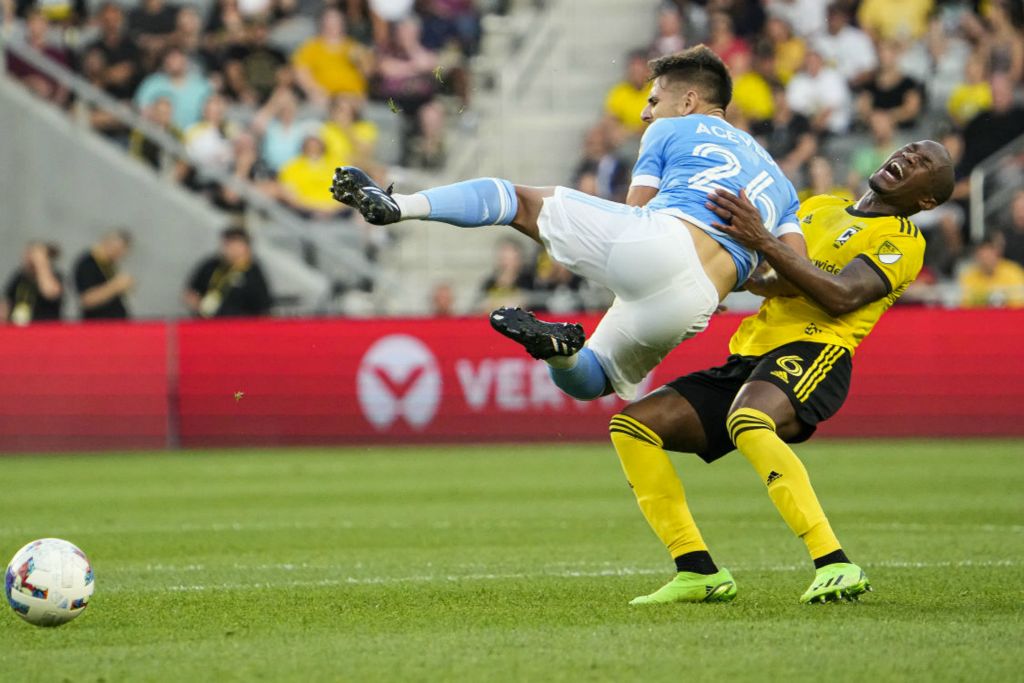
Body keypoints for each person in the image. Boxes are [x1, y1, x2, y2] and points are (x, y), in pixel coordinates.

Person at [332, 46, 804, 403]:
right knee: (592, 378)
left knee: (519, 202)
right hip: (699, 300)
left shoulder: (672, 128)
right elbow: (795, 276)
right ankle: (558, 350)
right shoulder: (783, 187)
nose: (645, 112)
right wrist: (736, 276)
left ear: (688, 102)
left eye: (654, 100)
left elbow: (638, 207)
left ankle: (399, 206)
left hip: (658, 243)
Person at [608, 140, 954, 605]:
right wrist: (732, 279)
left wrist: (764, 239)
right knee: (632, 426)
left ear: (926, 200)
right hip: (752, 354)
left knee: (749, 420)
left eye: (923, 164)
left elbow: (843, 296)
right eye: (909, 150)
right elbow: (785, 278)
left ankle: (834, 563)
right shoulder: (819, 206)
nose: (908, 158)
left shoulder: (902, 240)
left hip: (817, 351)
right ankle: (696, 570)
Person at [184, 228, 272, 318]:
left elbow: (263, 307)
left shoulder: (253, 272)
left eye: (235, 244)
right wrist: (199, 304)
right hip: (207, 322)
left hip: (239, 325)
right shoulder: (211, 266)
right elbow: (191, 292)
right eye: (227, 244)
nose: (230, 249)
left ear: (246, 247)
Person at [74, 230, 134, 320]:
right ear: (107, 243)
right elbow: (87, 299)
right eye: (118, 249)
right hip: (98, 327)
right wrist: (116, 285)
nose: (120, 255)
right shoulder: (88, 263)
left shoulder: (107, 265)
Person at [1, 242, 64, 325]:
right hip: (18, 327)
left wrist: (41, 263)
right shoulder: (18, 278)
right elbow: (6, 303)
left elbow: (50, 292)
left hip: (44, 327)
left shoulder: (55, 276)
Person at [958, 237, 1024, 308]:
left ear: (997, 253)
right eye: (982, 255)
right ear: (976, 256)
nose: (986, 259)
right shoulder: (968, 277)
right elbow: (964, 306)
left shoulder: (1014, 272)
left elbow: (1019, 305)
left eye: (989, 254)